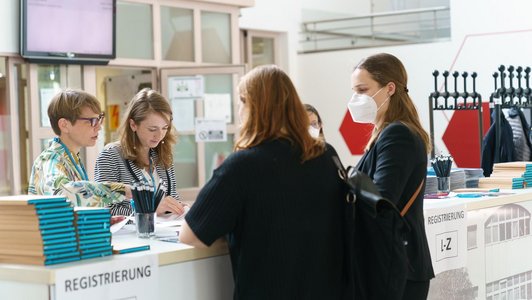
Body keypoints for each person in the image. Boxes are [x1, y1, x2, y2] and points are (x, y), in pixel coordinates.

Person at [180, 65, 347, 299]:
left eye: (241, 101)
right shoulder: (327, 154)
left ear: (255, 106)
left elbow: (191, 235)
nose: (238, 110)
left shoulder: (242, 165)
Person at [348, 53, 434, 299]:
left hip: (397, 268)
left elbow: (382, 200)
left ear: (390, 88)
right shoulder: (386, 133)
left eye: (363, 90)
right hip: (395, 265)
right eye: (354, 91)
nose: (356, 99)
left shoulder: (398, 135)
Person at [29, 89, 130, 210]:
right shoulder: (50, 160)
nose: (99, 127)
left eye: (99, 119)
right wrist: (122, 190)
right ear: (64, 125)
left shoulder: (71, 157)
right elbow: (63, 192)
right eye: (92, 121)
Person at [95, 88, 185, 217]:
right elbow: (103, 210)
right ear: (133, 124)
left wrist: (179, 207)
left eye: (164, 128)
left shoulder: (163, 154)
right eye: (152, 129)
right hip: (129, 236)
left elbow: (171, 197)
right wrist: (150, 210)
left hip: (165, 233)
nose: (159, 135)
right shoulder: (111, 155)